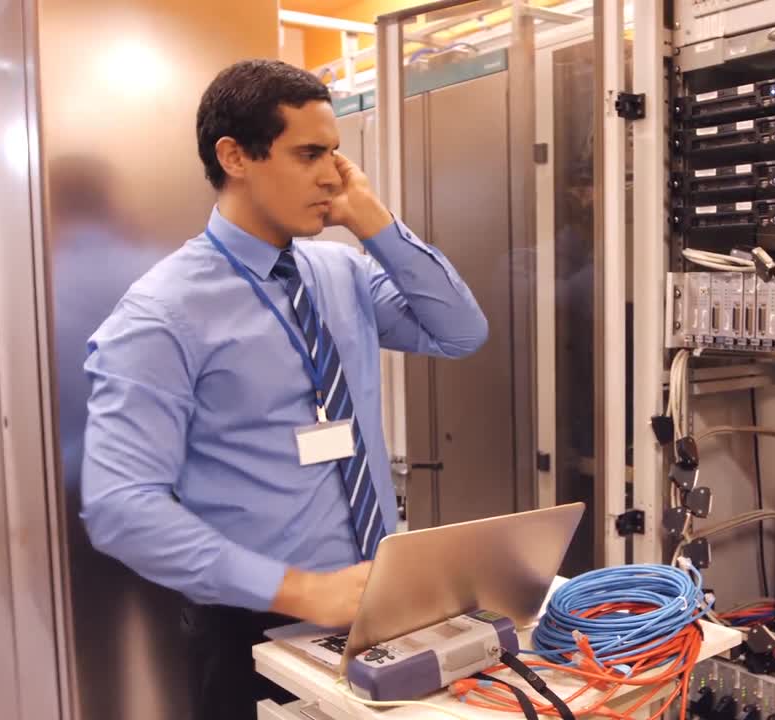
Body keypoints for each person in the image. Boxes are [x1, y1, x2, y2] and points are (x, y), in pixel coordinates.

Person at [79, 59, 489, 720]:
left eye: (335, 153)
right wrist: (301, 592)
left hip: (374, 605)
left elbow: (460, 331)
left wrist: (378, 224)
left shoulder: (341, 270)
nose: (333, 174)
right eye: (308, 154)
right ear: (235, 156)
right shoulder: (162, 313)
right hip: (251, 623)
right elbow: (120, 506)